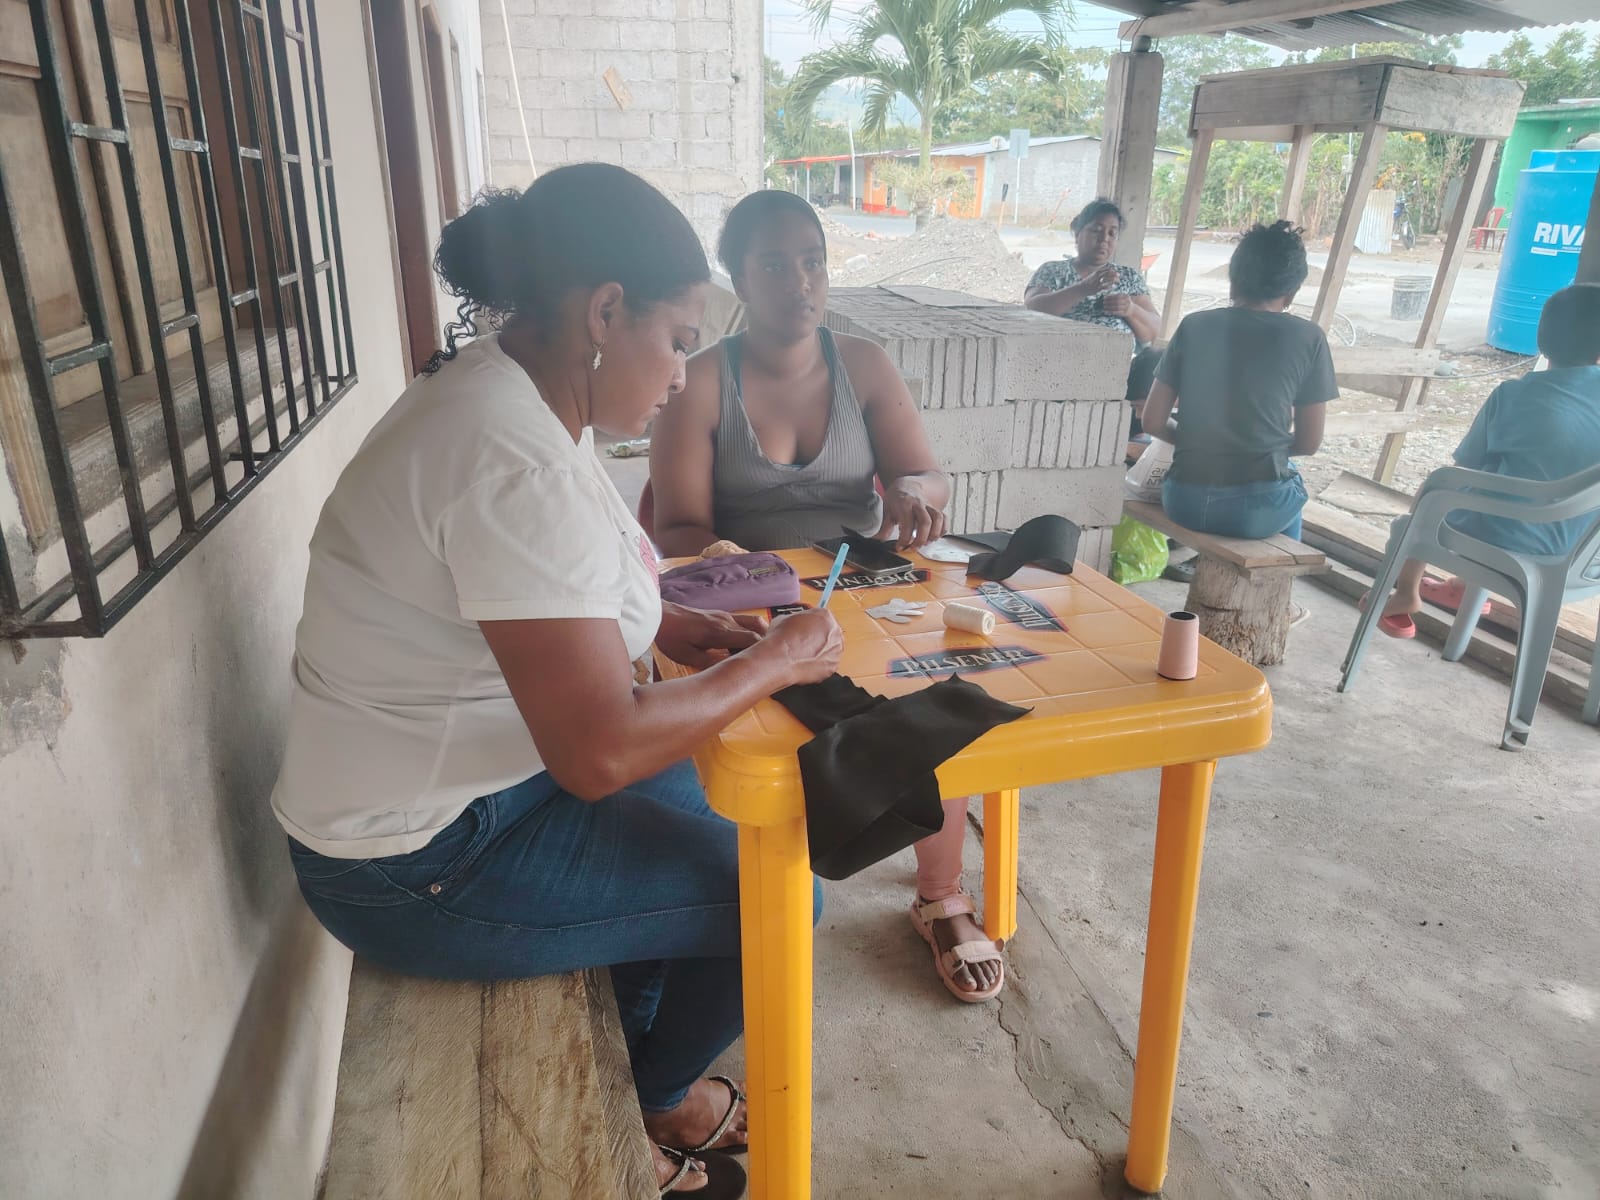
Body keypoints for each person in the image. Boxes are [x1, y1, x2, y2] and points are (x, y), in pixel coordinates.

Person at [270, 164, 844, 1198]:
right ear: (605, 312)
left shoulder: (512, 393)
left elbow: (534, 591)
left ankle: (642, 1063)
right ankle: (654, 1099)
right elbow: (601, 753)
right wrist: (776, 659)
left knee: (741, 820)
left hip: (484, 782)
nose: (681, 376)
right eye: (677, 340)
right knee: (772, 898)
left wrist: (673, 619)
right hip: (415, 860)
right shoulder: (509, 458)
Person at [650, 190, 1007, 1005]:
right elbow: (678, 531)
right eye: (775, 265)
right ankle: (757, 883)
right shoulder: (700, 382)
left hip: (866, 585)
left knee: (934, 700)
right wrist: (755, 580)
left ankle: (940, 894)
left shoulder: (865, 366)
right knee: (773, 739)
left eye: (812, 261)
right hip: (746, 604)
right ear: (739, 277)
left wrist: (915, 491)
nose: (800, 281)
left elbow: (928, 473)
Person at [1372, 283, 1600, 638]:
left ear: (1541, 342)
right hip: (1582, 555)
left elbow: (1465, 468)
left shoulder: (1512, 395)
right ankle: (1463, 585)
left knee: (1434, 492)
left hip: (1506, 542)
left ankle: (1406, 592)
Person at [1141, 220, 1336, 545]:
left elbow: (1151, 421)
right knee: (1290, 486)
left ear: (1234, 282)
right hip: (1255, 510)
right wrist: (1255, 447)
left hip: (1182, 500)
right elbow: (1309, 443)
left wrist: (1202, 442)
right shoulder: (1309, 337)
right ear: (1291, 293)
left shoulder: (1194, 326)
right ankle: (1284, 573)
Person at [1024, 198, 1164, 459]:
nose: (1104, 239)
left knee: (1157, 359)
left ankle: (1127, 432)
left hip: (1119, 372)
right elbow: (1033, 308)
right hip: (1063, 366)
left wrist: (1131, 310)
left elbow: (1153, 331)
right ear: (1077, 233)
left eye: (1112, 233)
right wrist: (1083, 288)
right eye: (1096, 230)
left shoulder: (1129, 277)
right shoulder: (1053, 271)